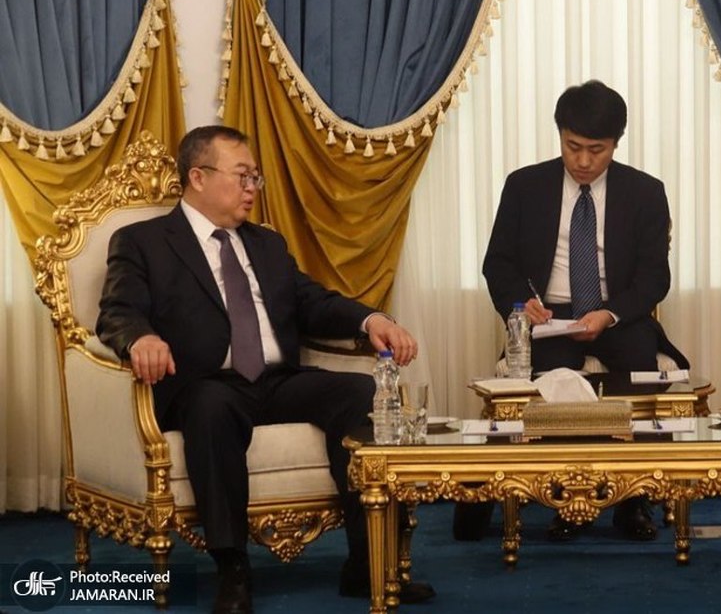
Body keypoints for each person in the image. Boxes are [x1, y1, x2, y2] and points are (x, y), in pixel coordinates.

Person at [96, 126, 434, 613]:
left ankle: (367, 563)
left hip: (276, 382)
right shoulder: (143, 241)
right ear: (198, 177)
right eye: (242, 176)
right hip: (204, 385)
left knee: (361, 393)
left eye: (255, 177)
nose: (252, 187)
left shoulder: (266, 244)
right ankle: (233, 568)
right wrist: (140, 338)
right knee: (212, 405)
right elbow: (117, 310)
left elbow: (311, 301)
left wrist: (371, 319)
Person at [475, 80, 689, 542]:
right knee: (555, 376)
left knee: (638, 366)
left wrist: (609, 314)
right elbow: (499, 264)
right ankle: (565, 494)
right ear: (560, 135)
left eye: (597, 150)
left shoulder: (645, 192)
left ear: (616, 143)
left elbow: (655, 277)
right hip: (548, 316)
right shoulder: (525, 186)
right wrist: (521, 307)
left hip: (617, 314)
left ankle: (634, 499)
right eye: (573, 147)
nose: (584, 161)